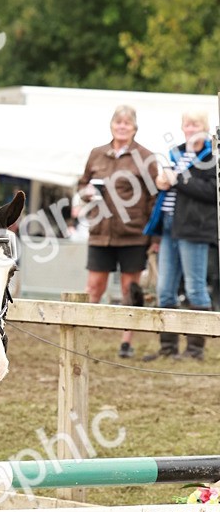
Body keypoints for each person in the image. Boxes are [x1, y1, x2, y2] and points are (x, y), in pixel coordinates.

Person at [76, 105, 158, 358]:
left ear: (134, 127)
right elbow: (81, 184)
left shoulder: (145, 157)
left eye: (127, 123)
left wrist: (154, 238)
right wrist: (86, 191)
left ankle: (126, 341)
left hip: (134, 233)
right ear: (111, 125)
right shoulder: (97, 153)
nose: (122, 126)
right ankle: (83, 337)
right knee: (93, 287)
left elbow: (155, 199)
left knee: (129, 289)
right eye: (118, 122)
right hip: (101, 231)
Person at [142, 111, 217, 362]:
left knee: (195, 288)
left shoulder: (211, 157)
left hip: (194, 227)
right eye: (187, 124)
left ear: (204, 128)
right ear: (182, 127)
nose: (191, 128)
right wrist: (162, 181)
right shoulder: (175, 153)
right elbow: (170, 186)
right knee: (164, 290)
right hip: (168, 226)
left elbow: (210, 192)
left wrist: (178, 179)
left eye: (196, 124)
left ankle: (195, 350)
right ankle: (168, 347)